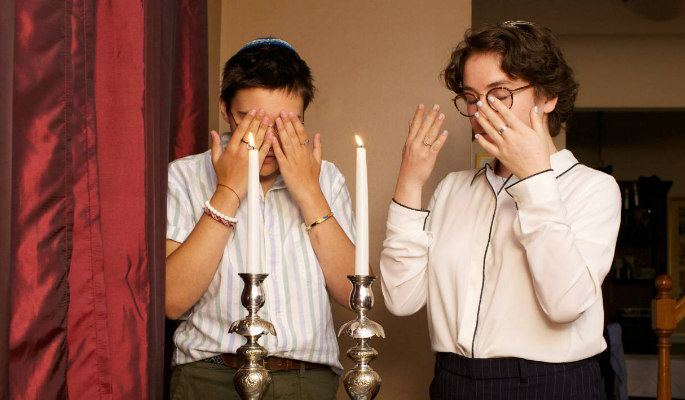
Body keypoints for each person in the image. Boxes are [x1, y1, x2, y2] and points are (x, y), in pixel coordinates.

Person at [380, 22, 621, 399]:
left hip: (553, 385)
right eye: (472, 97)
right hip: (453, 382)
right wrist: (409, 183)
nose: (481, 111)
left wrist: (534, 178)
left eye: (500, 93)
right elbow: (400, 298)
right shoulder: (452, 190)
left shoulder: (592, 189)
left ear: (548, 97)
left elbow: (564, 305)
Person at [166, 37, 356, 400]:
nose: (266, 140)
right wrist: (229, 189)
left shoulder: (326, 178)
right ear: (225, 109)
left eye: (285, 124)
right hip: (208, 377)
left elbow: (353, 293)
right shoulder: (185, 176)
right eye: (251, 121)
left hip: (306, 377)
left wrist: (309, 193)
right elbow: (173, 300)